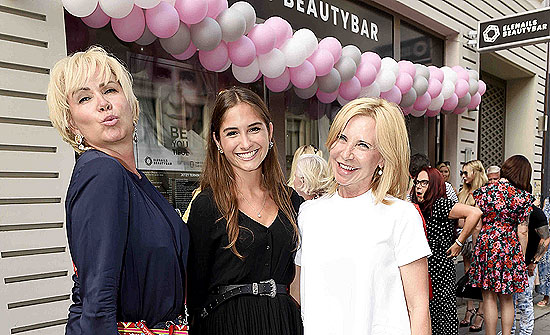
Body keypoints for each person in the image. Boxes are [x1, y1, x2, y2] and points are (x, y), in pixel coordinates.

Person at [47, 46, 189, 334]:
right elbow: (97, 298)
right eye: (85, 98)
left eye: (110, 90)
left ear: (130, 103)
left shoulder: (135, 180)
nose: (102, 103)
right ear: (72, 122)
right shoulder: (102, 171)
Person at [295, 98, 432, 335]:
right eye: (342, 138)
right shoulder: (309, 214)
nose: (346, 153)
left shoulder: (401, 216)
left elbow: (418, 308)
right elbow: (298, 298)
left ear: (382, 158)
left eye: (363, 145)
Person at [186, 87, 303, 335]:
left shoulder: (292, 201)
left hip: (285, 325)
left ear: (270, 131)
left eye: (254, 128)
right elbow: (195, 291)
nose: (246, 142)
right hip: (225, 326)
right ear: (218, 141)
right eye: (232, 133)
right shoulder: (207, 205)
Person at [411, 167, 482, 335]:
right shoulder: (421, 206)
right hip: (424, 267)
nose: (418, 187)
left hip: (440, 268)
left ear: (434, 185)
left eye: (424, 183)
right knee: (426, 312)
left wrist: (459, 241)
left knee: (441, 314)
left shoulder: (440, 203)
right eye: (417, 183)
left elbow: (475, 212)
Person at [469, 155, 535, 335]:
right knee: (507, 299)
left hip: (486, 245)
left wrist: (477, 249)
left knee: (488, 296)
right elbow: (523, 231)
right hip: (509, 247)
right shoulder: (522, 197)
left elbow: (477, 225)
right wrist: (520, 259)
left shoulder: (485, 192)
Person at [457, 160, 488, 331]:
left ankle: (481, 314)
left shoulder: (484, 193)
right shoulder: (463, 191)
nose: (463, 176)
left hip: (479, 240)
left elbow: (479, 222)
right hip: (465, 238)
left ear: (476, 173)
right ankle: (469, 310)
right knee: (469, 274)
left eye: (466, 172)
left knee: (482, 278)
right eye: (462, 172)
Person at [511, 202, 550, 335]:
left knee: (524, 300)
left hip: (527, 264)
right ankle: (508, 331)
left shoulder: (535, 212)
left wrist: (534, 261)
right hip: (508, 264)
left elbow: (545, 238)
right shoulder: (507, 209)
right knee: (508, 301)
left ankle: (526, 332)